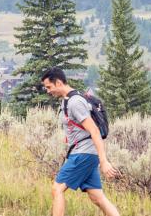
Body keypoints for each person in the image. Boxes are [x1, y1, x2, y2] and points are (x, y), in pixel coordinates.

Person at [41, 67, 120, 216]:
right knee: (97, 197)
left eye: (49, 87)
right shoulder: (67, 100)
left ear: (58, 82)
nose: (47, 90)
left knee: (57, 189)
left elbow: (94, 131)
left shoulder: (75, 102)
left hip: (83, 153)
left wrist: (104, 161)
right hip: (85, 154)